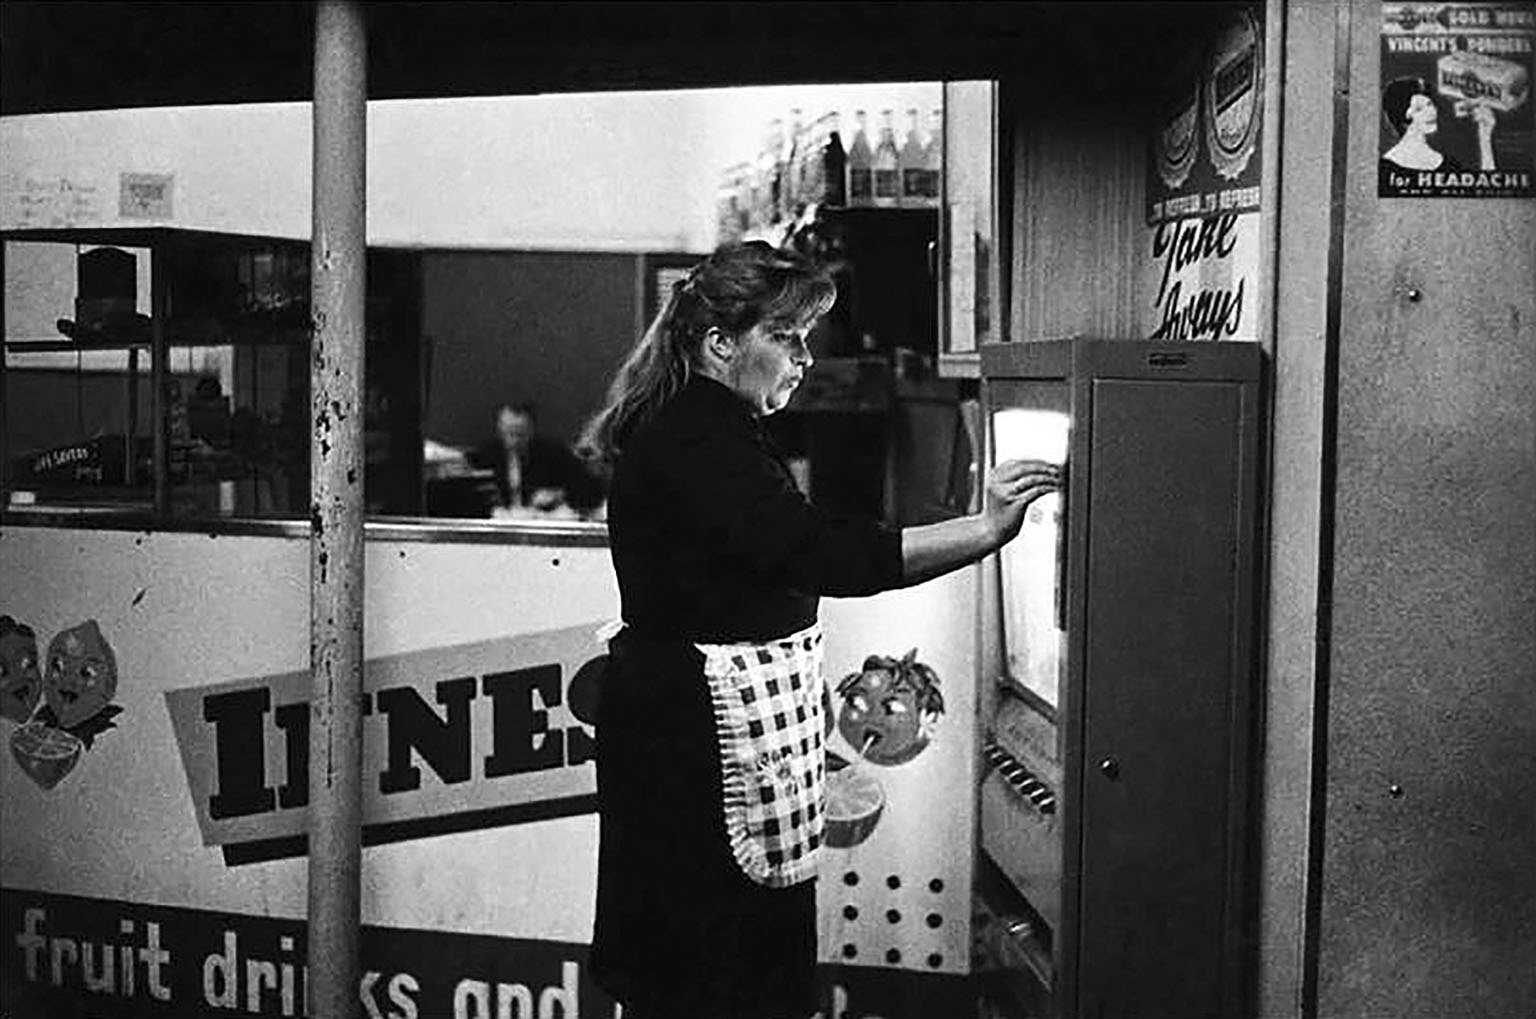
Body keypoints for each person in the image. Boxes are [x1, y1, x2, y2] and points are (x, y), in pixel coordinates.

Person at [577, 240, 1060, 1018]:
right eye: (786, 337)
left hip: (694, 739)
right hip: (698, 750)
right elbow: (819, 552)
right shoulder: (699, 438)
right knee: (721, 980)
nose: (804, 358)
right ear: (721, 343)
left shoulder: (706, 425)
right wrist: (982, 530)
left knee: (696, 973)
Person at [469, 401, 605, 517]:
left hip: (542, 521)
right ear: (499, 429)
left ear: (531, 430)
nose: (514, 440)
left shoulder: (554, 454)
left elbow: (592, 491)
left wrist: (559, 494)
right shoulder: (486, 456)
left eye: (520, 433)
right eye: (508, 433)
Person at [1381, 75, 1496, 174]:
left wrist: (1485, 135)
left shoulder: (1448, 164)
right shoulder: (1386, 168)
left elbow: (1485, 192)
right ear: (1403, 116)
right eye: (1419, 109)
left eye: (1430, 104)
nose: (1431, 112)